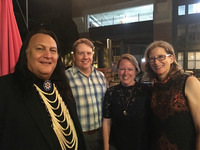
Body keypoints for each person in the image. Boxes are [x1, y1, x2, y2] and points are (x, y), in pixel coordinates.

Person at [0, 28, 86, 150]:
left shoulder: (62, 88)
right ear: (26, 53)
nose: (47, 55)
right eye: (40, 49)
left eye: (53, 50)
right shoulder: (5, 88)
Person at [142, 40, 200, 150]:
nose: (156, 62)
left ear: (171, 58)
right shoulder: (153, 87)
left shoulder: (188, 82)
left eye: (161, 57)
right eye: (152, 58)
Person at [102, 54, 151, 150]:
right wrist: (106, 147)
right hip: (117, 144)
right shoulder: (111, 92)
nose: (125, 73)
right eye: (122, 69)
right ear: (117, 70)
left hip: (141, 144)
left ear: (136, 71)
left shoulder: (146, 91)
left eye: (130, 69)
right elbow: (106, 121)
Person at [65, 38, 107, 150]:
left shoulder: (100, 76)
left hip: (101, 133)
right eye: (81, 53)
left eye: (88, 53)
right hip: (79, 135)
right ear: (74, 57)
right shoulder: (66, 78)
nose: (85, 57)